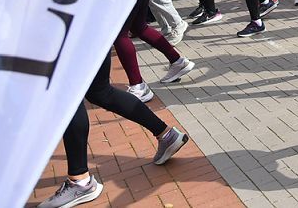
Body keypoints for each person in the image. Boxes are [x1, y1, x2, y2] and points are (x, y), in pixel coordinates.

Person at [37, 53, 189, 208]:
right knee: (100, 92)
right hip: (94, 36)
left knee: (69, 97)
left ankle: (79, 181)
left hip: (71, 39)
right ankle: (166, 134)